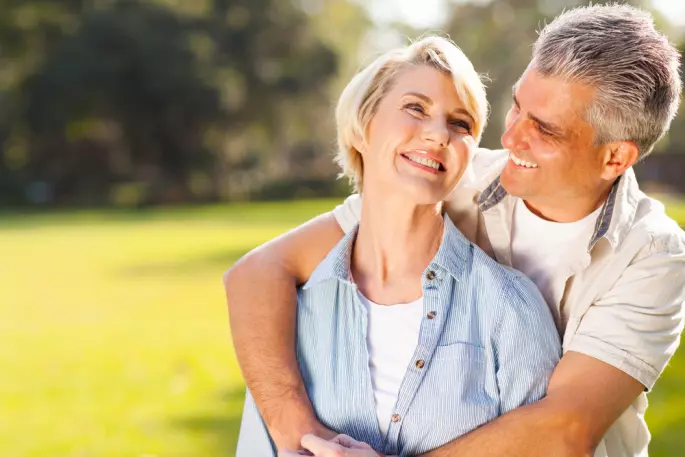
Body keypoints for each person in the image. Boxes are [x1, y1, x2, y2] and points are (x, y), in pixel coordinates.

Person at [225, 4, 685, 457]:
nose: (509, 140)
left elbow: (565, 429)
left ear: (614, 158)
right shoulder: (455, 177)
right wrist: (297, 434)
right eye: (517, 108)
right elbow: (261, 270)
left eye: (543, 130)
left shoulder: (652, 255)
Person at [235, 35, 561, 457]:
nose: (438, 134)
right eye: (416, 108)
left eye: (461, 124)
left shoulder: (510, 308)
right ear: (362, 127)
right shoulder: (288, 313)